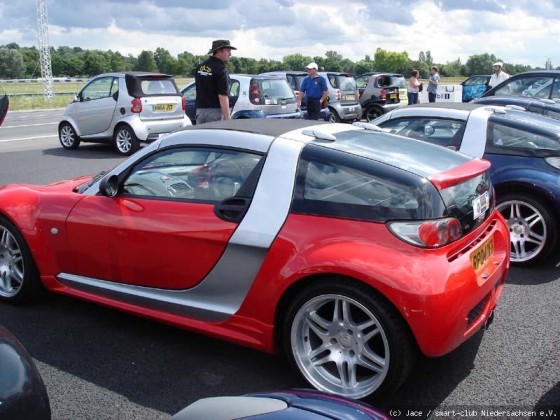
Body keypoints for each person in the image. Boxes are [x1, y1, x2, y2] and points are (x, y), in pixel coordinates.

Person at [194, 39, 237, 124]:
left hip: (200, 111)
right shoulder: (221, 69)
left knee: (200, 137)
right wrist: (228, 119)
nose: (230, 54)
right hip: (215, 113)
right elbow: (222, 97)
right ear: (219, 51)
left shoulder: (200, 67)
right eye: (228, 51)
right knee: (215, 137)